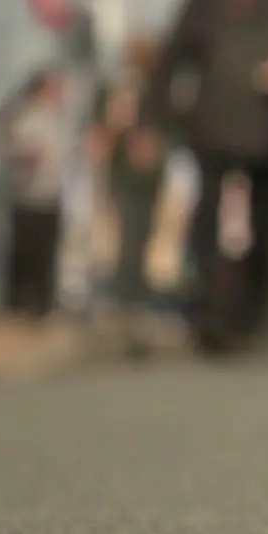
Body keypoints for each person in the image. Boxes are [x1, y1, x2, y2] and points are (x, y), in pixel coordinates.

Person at [140, 0, 268, 353]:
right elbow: (171, 61)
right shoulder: (206, 0)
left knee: (266, 227)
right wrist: (152, 121)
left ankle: (257, 315)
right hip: (213, 130)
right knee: (208, 227)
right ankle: (212, 316)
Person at [90, 34, 171, 346]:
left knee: (142, 235)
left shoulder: (157, 90)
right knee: (124, 236)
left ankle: (137, 295)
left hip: (149, 179)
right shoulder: (115, 90)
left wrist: (156, 146)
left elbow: (169, 128)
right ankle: (124, 298)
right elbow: (100, 132)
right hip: (121, 176)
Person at [1, 71, 67, 319]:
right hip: (28, 196)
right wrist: (30, 157)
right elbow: (12, 148)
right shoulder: (26, 117)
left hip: (50, 195)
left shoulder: (58, 120)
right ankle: (19, 306)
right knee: (25, 254)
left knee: (46, 255)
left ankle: (43, 306)